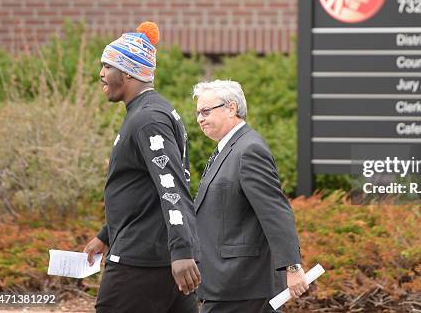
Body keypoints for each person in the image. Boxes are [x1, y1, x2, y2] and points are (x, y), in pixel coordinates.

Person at [83, 22, 201, 313]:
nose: (101, 74)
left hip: (141, 262)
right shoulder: (151, 113)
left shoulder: (148, 119)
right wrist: (107, 234)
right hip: (157, 259)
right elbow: (143, 189)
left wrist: (183, 251)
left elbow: (171, 186)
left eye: (107, 66)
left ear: (127, 72)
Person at [192, 80, 308, 313]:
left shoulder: (249, 150)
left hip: (244, 284)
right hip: (230, 285)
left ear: (232, 108)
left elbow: (275, 211)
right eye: (198, 113)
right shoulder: (226, 149)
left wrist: (292, 267)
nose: (199, 119)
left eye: (206, 111)